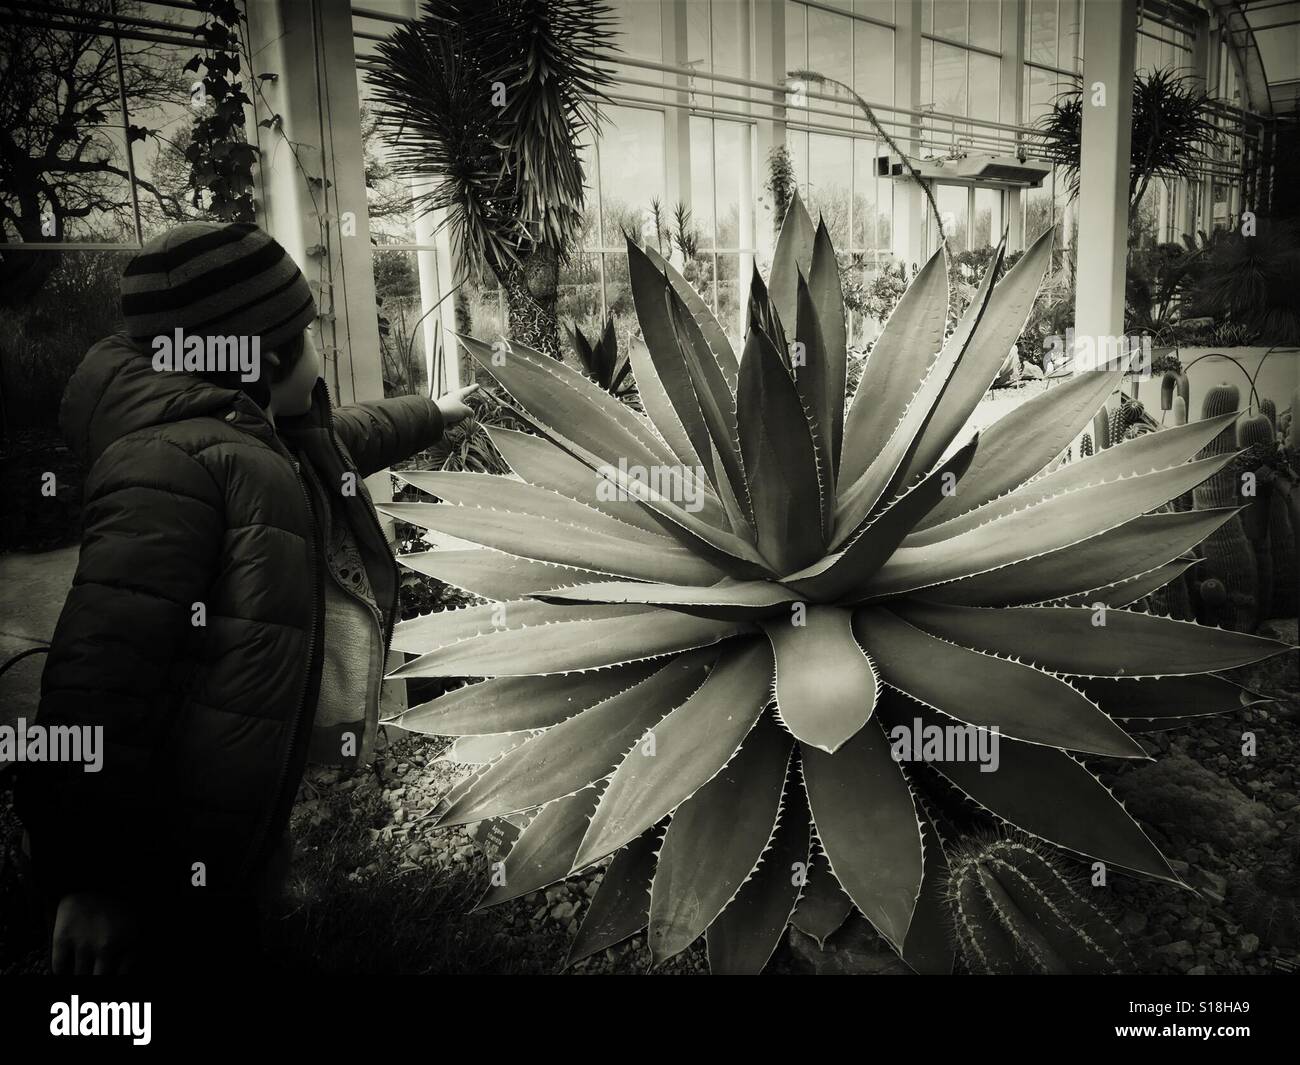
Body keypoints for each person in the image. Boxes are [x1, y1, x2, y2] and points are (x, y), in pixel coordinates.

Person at [15, 221, 477, 973]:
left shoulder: (249, 427)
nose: (320, 353)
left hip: (225, 831)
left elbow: (346, 437)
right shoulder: (170, 466)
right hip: (148, 859)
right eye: (308, 333)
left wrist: (433, 412)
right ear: (261, 355)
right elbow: (99, 678)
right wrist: (88, 878)